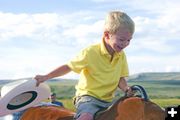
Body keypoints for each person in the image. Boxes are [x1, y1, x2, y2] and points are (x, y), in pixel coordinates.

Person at [35, 11, 135, 120]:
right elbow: (69, 67)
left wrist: (126, 88)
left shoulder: (121, 55)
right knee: (86, 117)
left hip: (108, 101)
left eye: (128, 40)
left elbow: (120, 78)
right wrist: (46, 77)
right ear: (107, 35)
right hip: (88, 98)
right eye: (121, 39)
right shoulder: (90, 52)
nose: (125, 44)